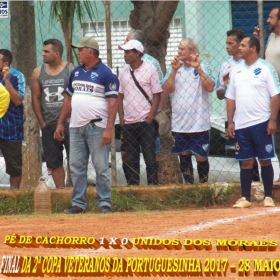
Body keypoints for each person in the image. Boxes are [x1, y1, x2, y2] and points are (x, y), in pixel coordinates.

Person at [54, 36, 119, 214]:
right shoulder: (76, 73)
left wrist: (109, 129)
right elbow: (68, 98)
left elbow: (113, 103)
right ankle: (78, 204)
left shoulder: (106, 73)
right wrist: (61, 123)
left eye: (81, 50)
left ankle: (104, 202)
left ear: (91, 52)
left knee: (101, 167)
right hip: (75, 127)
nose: (78, 53)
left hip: (97, 127)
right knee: (76, 166)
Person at [226, 36, 280, 208]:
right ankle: (245, 198)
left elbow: (275, 95)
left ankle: (268, 196)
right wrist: (230, 122)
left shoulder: (265, 68)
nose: (239, 48)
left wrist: (272, 120)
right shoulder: (236, 70)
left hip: (261, 122)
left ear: (253, 48)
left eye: (243, 45)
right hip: (241, 124)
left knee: (264, 160)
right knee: (246, 161)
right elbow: (230, 97)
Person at [162, 38, 215, 184]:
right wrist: (173, 70)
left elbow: (210, 87)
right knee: (183, 156)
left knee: (201, 157)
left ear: (192, 51)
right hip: (180, 123)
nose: (178, 51)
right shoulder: (174, 67)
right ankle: (189, 187)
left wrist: (198, 68)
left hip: (199, 123)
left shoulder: (203, 66)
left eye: (182, 49)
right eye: (178, 49)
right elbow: (166, 90)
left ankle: (204, 186)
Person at [120, 30, 164, 184]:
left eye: (127, 52)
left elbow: (157, 94)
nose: (124, 55)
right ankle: (133, 189)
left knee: (150, 157)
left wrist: (150, 117)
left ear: (137, 53)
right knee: (131, 159)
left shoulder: (150, 68)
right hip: (128, 123)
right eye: (124, 52)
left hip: (146, 122)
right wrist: (122, 120)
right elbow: (120, 96)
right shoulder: (123, 72)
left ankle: (153, 188)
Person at [216, 29, 260, 182]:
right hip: (233, 117)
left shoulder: (249, 63)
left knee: (256, 154)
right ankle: (246, 187)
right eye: (226, 43)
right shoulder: (225, 66)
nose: (227, 46)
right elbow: (219, 94)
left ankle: (257, 184)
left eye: (230, 43)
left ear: (240, 45)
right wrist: (227, 86)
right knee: (241, 155)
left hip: (251, 114)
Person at [31, 39, 74, 189]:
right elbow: (35, 99)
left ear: (57, 54)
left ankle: (76, 194)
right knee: (54, 162)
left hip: (69, 123)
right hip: (49, 124)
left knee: (74, 160)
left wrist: (71, 119)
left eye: (46, 51)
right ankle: (61, 192)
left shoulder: (70, 70)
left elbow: (77, 95)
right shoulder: (38, 72)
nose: (42, 54)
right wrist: (42, 123)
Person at [254, 7, 280, 187]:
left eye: (271, 17)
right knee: (277, 135)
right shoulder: (272, 38)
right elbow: (264, 61)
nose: (268, 20)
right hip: (274, 94)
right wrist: (260, 41)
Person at [0, 49, 25, 189]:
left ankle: (14, 196)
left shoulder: (17, 76)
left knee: (14, 168)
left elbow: (17, 101)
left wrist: (7, 81)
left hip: (11, 129)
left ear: (5, 64)